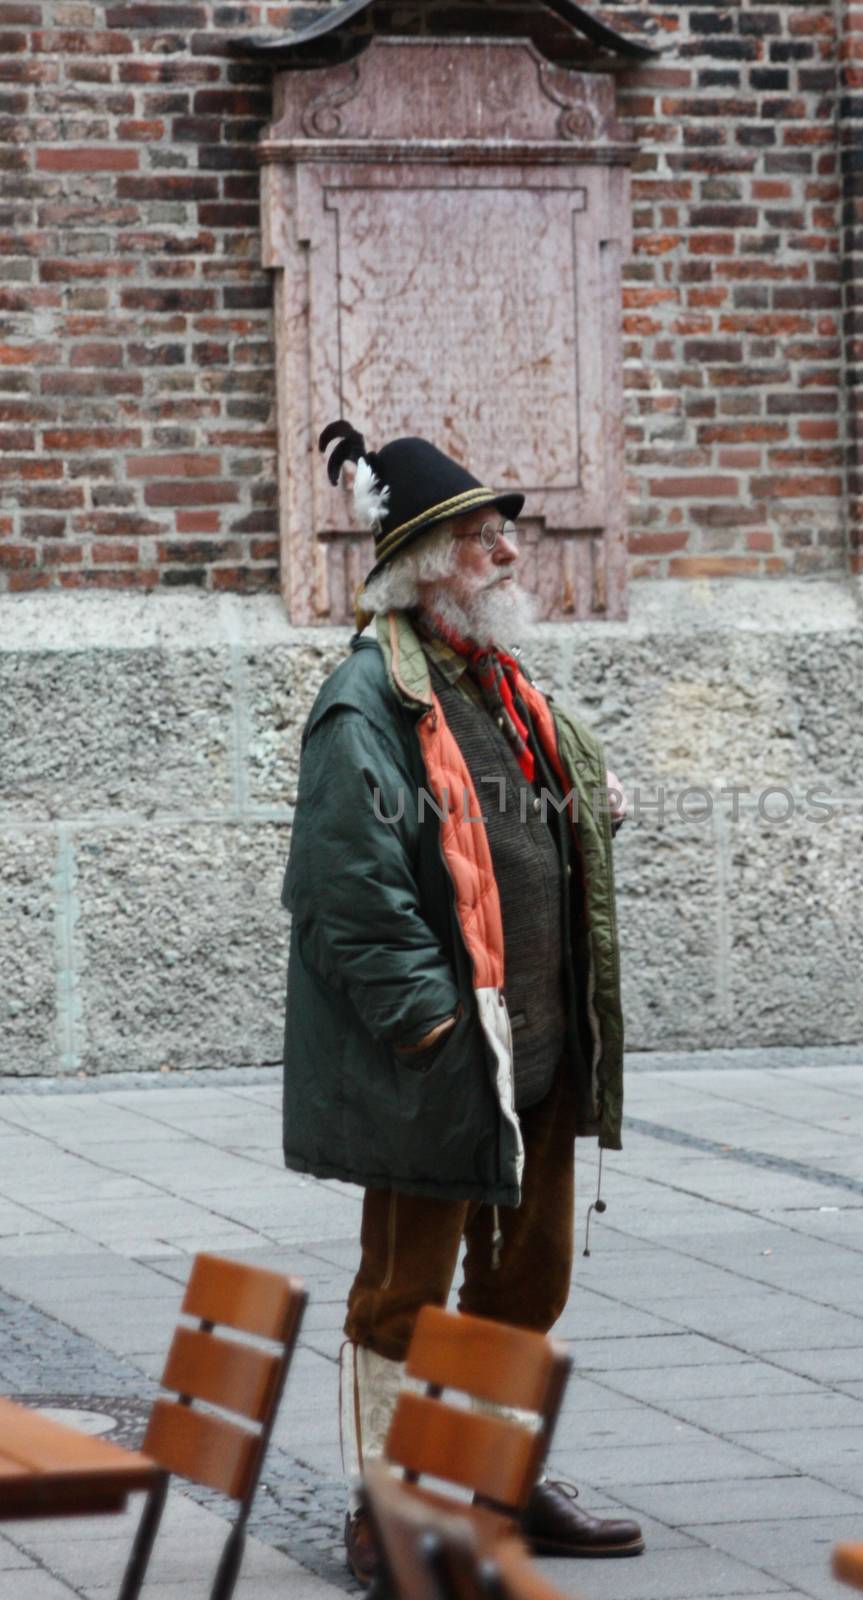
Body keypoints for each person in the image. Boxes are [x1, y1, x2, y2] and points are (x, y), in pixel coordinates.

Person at [280, 422, 642, 1587]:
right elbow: (349, 890)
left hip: (536, 1047)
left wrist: (588, 805)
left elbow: (509, 819)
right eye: (484, 537)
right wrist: (429, 1024)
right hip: (439, 1056)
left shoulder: (499, 681)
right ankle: (386, 1511)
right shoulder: (365, 701)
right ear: (426, 557)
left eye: (503, 534)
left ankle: (493, 1479)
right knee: (403, 1291)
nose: (507, 554)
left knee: (526, 1280)